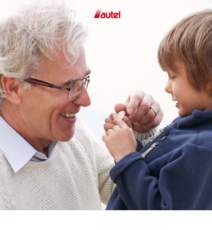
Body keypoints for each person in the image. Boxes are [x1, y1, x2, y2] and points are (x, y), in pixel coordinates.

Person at [0, 2, 162, 209]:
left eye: (83, 80)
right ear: (13, 88)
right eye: (68, 86)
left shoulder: (75, 136)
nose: (86, 100)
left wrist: (140, 136)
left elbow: (133, 199)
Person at [104, 10, 212, 210]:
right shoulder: (190, 129)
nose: (167, 87)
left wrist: (125, 157)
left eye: (173, 76)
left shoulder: (203, 149)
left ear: (208, 80)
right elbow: (154, 178)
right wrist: (132, 143)